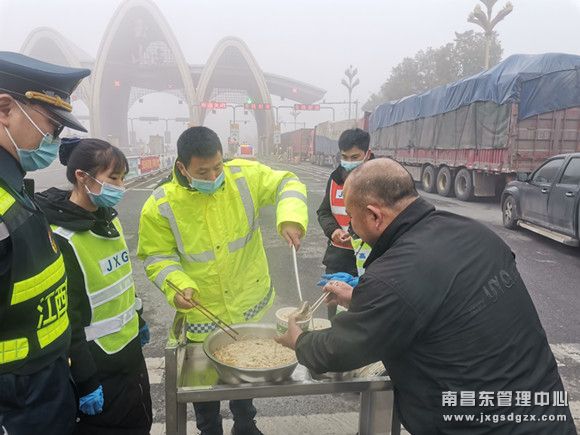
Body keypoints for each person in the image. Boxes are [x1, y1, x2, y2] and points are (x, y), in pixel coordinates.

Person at [278, 158, 576, 434]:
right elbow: (440, 303)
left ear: (374, 215)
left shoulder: (392, 276)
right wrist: (360, 298)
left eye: (352, 219)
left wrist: (300, 341)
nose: (350, 228)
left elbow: (342, 349)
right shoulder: (472, 232)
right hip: (545, 412)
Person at [137, 126, 308, 435]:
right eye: (203, 172)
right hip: (203, 312)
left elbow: (288, 182)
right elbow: (156, 256)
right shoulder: (161, 204)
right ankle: (209, 429)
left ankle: (245, 425)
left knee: (247, 370)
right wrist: (178, 285)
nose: (214, 175)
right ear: (182, 168)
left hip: (248, 303)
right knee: (204, 385)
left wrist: (291, 217)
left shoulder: (244, 176)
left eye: (217, 166)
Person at [35, 138, 152, 434]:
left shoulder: (109, 222)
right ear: (82, 177)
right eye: (113, 178)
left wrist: (137, 318)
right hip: (98, 368)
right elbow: (67, 318)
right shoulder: (61, 238)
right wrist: (86, 380)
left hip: (130, 356)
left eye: (123, 178)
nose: (121, 186)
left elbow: (121, 281)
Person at [0, 52, 90, 435]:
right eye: (51, 125)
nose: (54, 140)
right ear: (5, 109)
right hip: (15, 407)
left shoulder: (14, 187)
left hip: (40, 391)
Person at [316, 128, 372, 318]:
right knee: (334, 313)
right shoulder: (334, 180)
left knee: (362, 315)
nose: (349, 162)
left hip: (369, 262)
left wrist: (355, 234)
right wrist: (333, 231)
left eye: (354, 157)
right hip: (338, 260)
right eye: (344, 157)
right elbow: (324, 212)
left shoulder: (380, 181)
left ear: (367, 154)